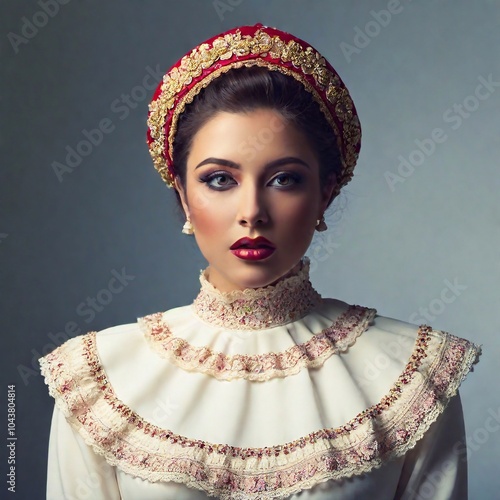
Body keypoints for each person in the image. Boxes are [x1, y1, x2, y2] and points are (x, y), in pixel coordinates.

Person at [39, 24, 482, 499]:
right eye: (219, 180)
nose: (252, 212)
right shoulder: (97, 381)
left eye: (284, 179)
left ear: (325, 195)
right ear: (185, 198)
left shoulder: (413, 377)